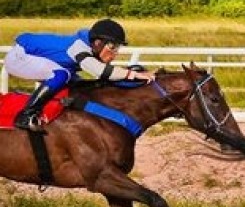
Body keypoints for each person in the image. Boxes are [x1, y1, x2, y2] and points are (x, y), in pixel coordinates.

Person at [4, 18, 156, 130]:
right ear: (97, 43)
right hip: (20, 56)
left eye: (117, 47)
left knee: (77, 82)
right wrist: (132, 74)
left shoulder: (90, 46)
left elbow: (105, 77)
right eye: (112, 46)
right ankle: (26, 115)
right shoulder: (79, 47)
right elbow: (100, 71)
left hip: (38, 56)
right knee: (62, 75)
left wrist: (137, 79)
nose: (115, 52)